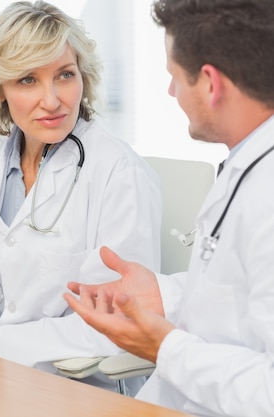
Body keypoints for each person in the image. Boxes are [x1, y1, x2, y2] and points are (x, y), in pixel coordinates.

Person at [0, 1, 161, 391]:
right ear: (0, 89)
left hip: (82, 391)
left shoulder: (118, 173)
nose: (52, 100)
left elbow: (115, 321)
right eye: (27, 80)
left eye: (65, 75)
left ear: (83, 78)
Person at [64, 0, 274, 415]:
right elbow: (237, 295)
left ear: (211, 84)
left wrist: (164, 347)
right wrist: (164, 293)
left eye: (175, 78)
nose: (171, 92)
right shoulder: (247, 160)